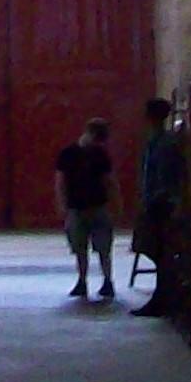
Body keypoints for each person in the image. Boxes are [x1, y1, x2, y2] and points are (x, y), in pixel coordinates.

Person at [131, 95, 188, 317]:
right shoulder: (155, 141)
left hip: (160, 206)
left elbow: (164, 178)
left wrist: (155, 200)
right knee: (156, 251)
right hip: (156, 202)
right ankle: (163, 296)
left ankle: (165, 297)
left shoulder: (164, 144)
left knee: (161, 252)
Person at [55, 118, 119, 303]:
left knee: (97, 247)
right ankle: (90, 281)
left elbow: (109, 180)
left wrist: (62, 204)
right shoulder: (72, 154)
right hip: (87, 207)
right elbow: (110, 181)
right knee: (86, 247)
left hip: (89, 207)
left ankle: (97, 281)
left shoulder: (82, 153)